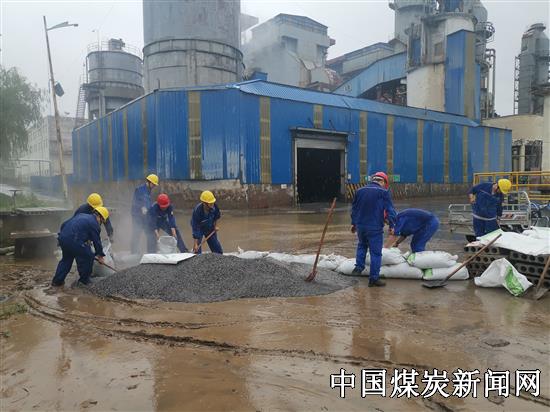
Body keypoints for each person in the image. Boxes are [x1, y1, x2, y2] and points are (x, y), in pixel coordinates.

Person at [351, 172, 396, 287]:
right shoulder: (383, 192)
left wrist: (354, 224)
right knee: (375, 253)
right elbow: (390, 211)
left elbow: (354, 209)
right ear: (383, 182)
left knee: (362, 245)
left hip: (361, 226)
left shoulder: (359, 191)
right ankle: (373, 279)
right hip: (374, 227)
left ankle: (358, 268)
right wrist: (392, 226)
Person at [51, 206, 109, 287]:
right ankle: (84, 281)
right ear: (100, 217)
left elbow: (65, 224)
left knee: (66, 260)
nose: (101, 223)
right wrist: (100, 256)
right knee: (89, 256)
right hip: (73, 240)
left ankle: (57, 281)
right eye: (102, 221)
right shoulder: (94, 224)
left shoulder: (81, 215)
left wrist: (63, 236)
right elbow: (97, 241)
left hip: (63, 237)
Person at [131, 174, 159, 253]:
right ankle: (134, 252)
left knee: (150, 233)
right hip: (137, 215)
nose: (154, 186)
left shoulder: (148, 190)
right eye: (154, 184)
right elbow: (136, 201)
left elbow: (147, 203)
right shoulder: (140, 190)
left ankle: (151, 252)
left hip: (145, 216)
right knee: (137, 233)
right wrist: (142, 207)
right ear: (149, 182)